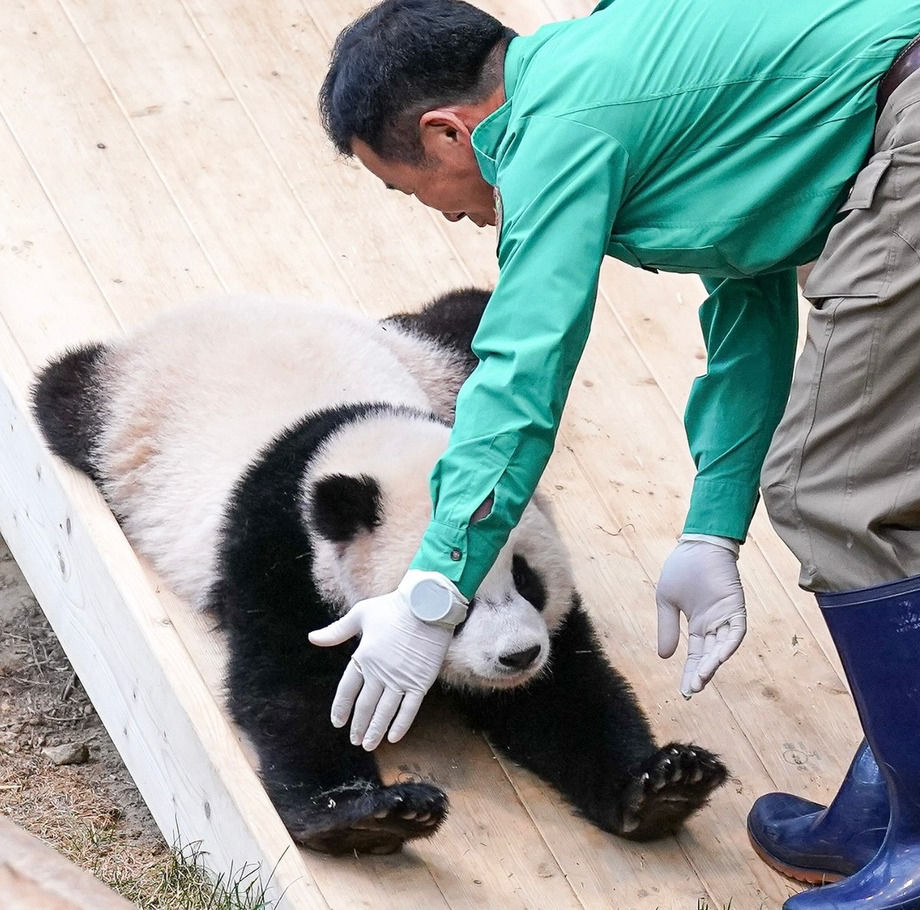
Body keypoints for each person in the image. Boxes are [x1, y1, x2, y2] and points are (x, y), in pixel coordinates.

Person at [309, 1, 920, 906]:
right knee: (873, 483)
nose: (440, 218)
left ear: (448, 132)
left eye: (409, 190)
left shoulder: (555, 132)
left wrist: (435, 592)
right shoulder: (603, 74)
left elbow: (521, 373)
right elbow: (748, 294)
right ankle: (892, 805)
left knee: (832, 492)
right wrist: (713, 527)